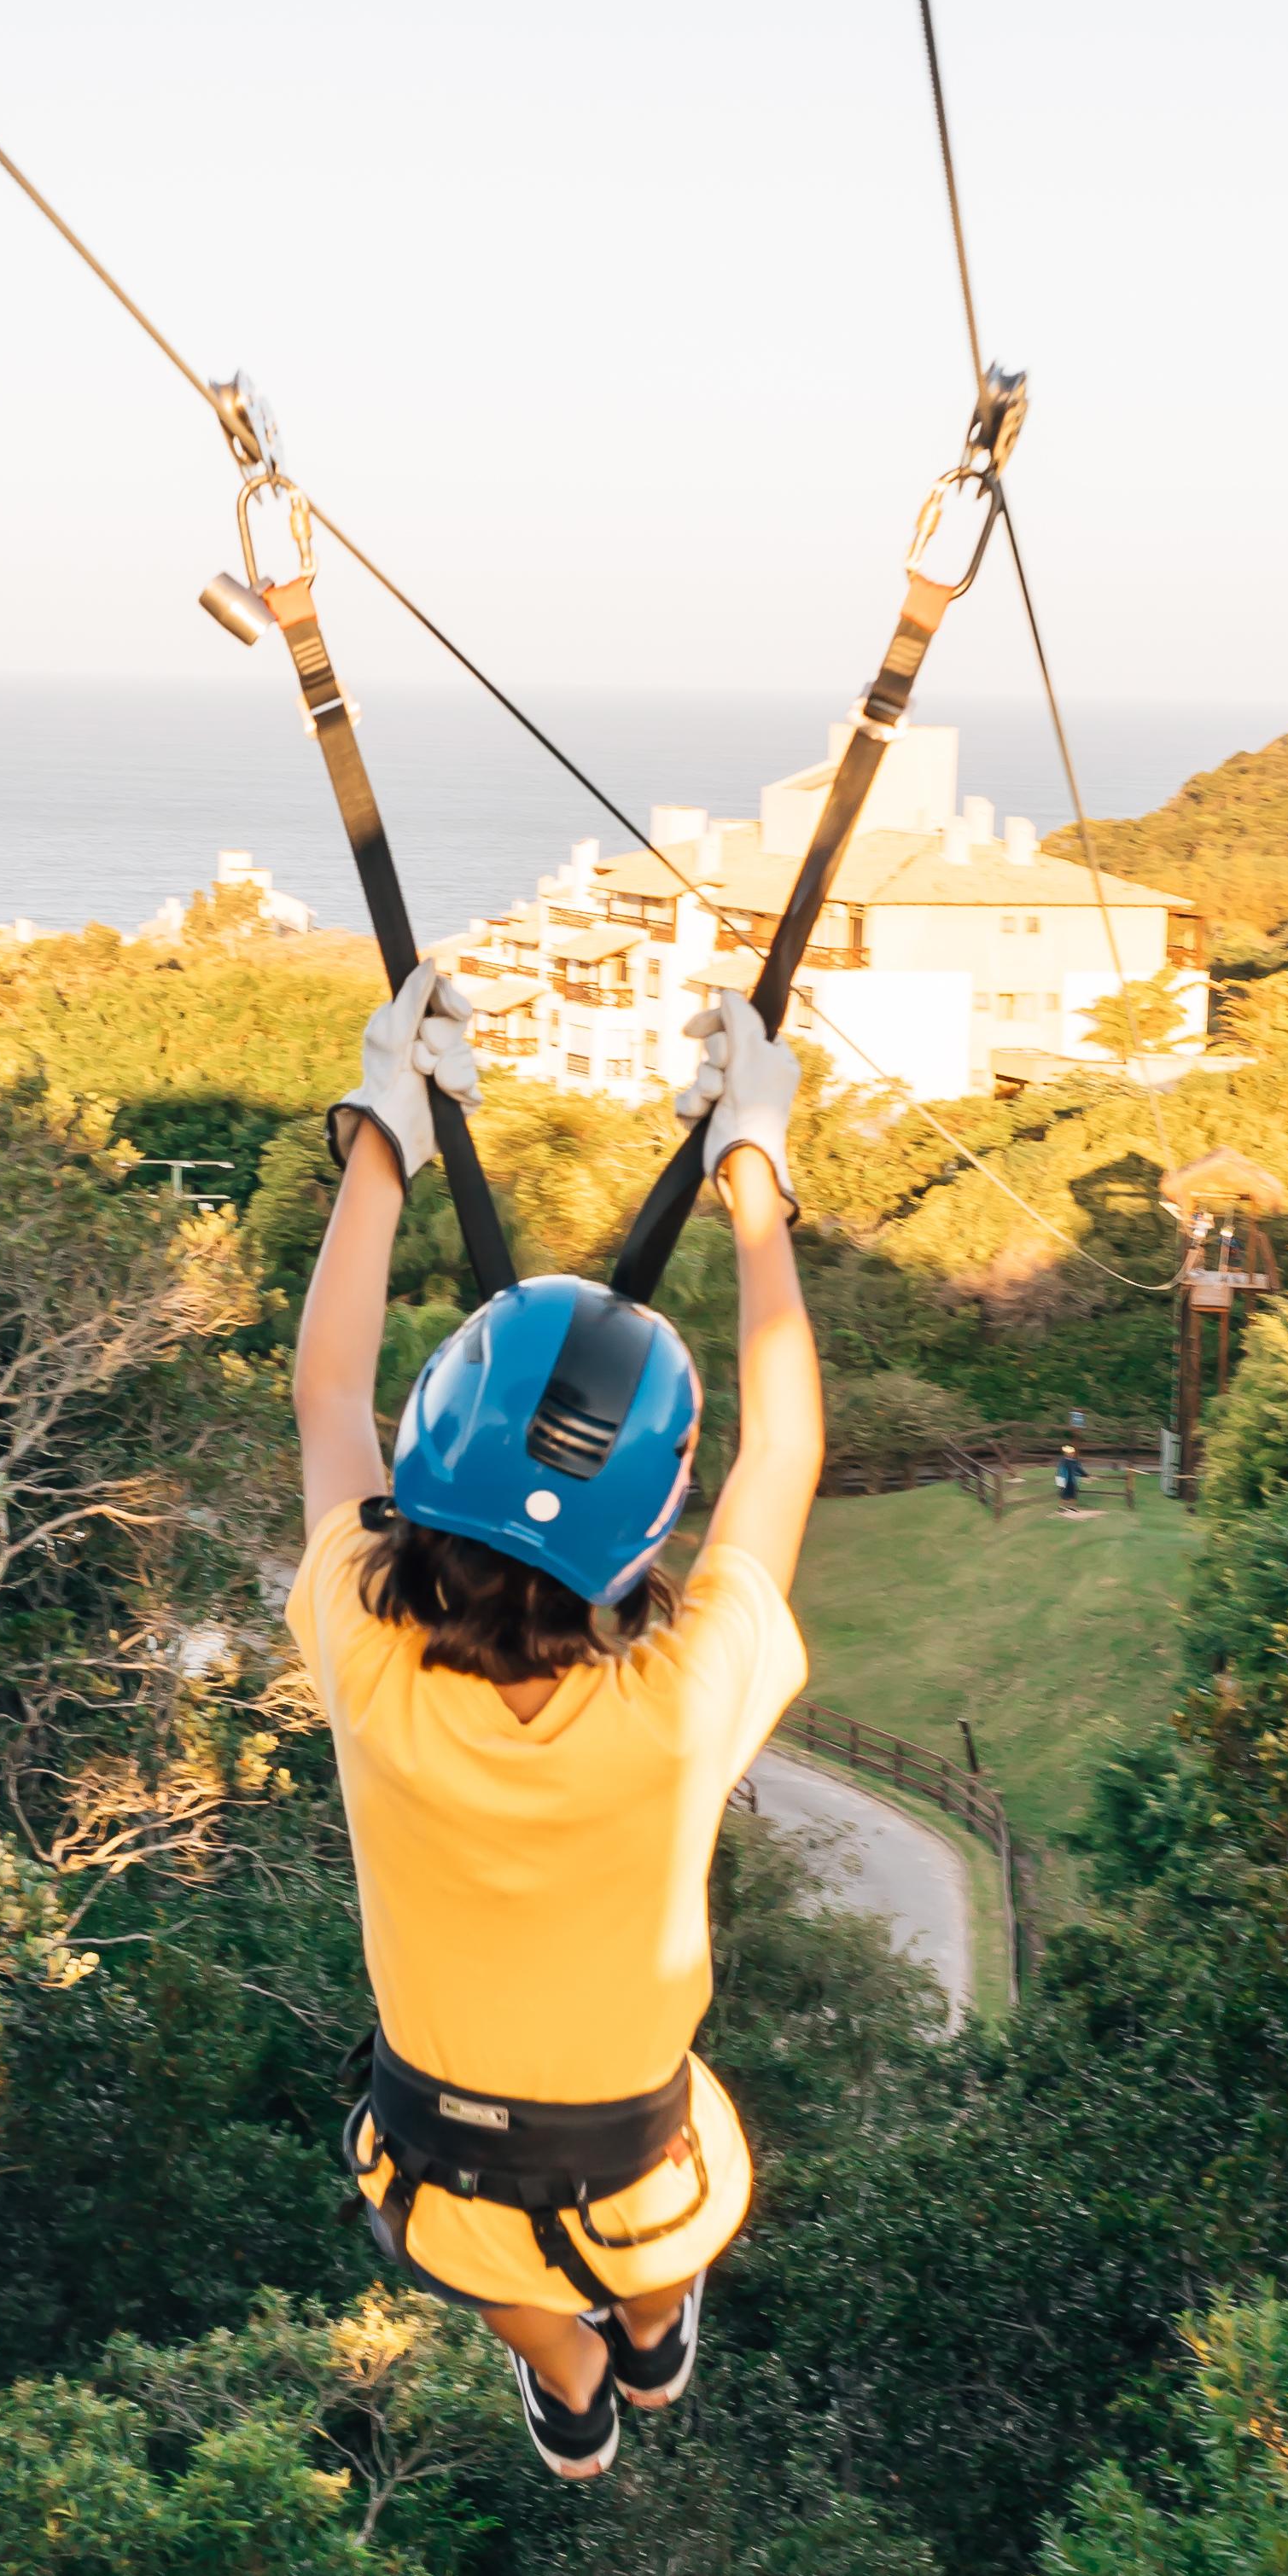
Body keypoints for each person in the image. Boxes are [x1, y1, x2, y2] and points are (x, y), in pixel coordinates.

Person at [286, 961, 822, 2479]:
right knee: (642, 2227)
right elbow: (783, 1448)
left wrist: (384, 1126)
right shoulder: (679, 1701)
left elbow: (328, 1393)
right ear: (646, 1531)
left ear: (427, 1457)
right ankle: (648, 2344)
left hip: (438, 2150)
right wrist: (755, 1171)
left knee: (489, 2261)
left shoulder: (365, 1652)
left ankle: (578, 2382)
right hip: (634, 2146)